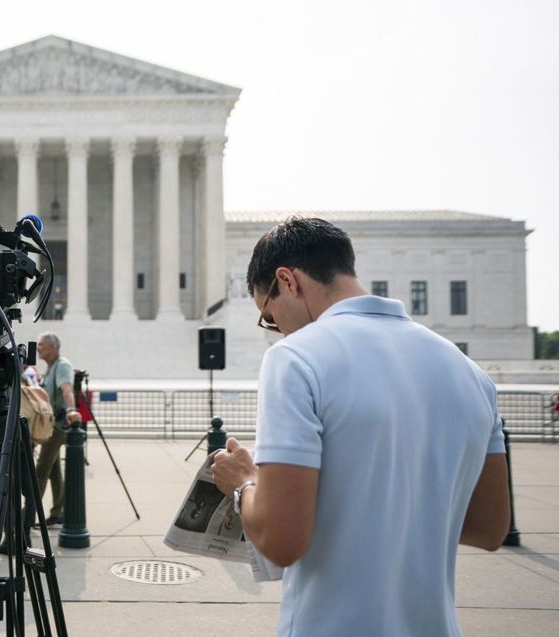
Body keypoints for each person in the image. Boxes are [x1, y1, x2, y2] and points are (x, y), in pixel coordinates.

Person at [211, 217, 510, 636]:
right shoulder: (472, 374)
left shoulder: (296, 359)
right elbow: (489, 527)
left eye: (270, 315)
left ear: (288, 281)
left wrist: (244, 483)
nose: (277, 330)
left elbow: (281, 539)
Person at [33, 332, 82, 528]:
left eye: (41, 345)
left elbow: (67, 389)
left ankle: (28, 512)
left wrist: (71, 409)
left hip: (57, 427)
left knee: (41, 469)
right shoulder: (51, 367)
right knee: (53, 471)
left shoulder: (62, 365)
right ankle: (58, 513)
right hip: (50, 425)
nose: (38, 348)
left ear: (54, 347)